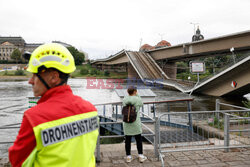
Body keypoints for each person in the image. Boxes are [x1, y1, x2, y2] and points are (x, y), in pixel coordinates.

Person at [8, 43, 99, 167]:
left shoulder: (34, 118)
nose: (30, 81)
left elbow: (17, 161)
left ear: (54, 77)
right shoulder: (91, 110)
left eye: (35, 75)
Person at [122, 86, 147, 163]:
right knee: (138, 140)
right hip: (135, 122)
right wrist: (137, 95)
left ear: (127, 92)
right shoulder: (137, 99)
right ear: (135, 91)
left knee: (127, 140)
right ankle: (140, 156)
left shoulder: (125, 99)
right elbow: (141, 104)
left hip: (126, 122)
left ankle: (128, 157)